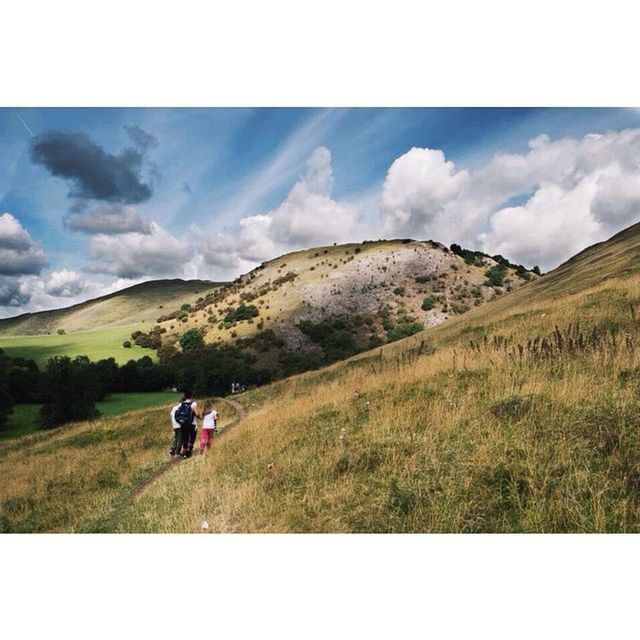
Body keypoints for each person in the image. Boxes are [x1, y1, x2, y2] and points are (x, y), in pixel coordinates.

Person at [174, 390, 199, 458]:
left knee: (185, 438)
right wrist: (200, 416)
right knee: (192, 437)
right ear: (191, 396)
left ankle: (184, 451)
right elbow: (196, 414)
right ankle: (189, 451)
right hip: (192, 424)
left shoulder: (181, 404)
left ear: (184, 396)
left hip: (183, 424)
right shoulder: (193, 404)